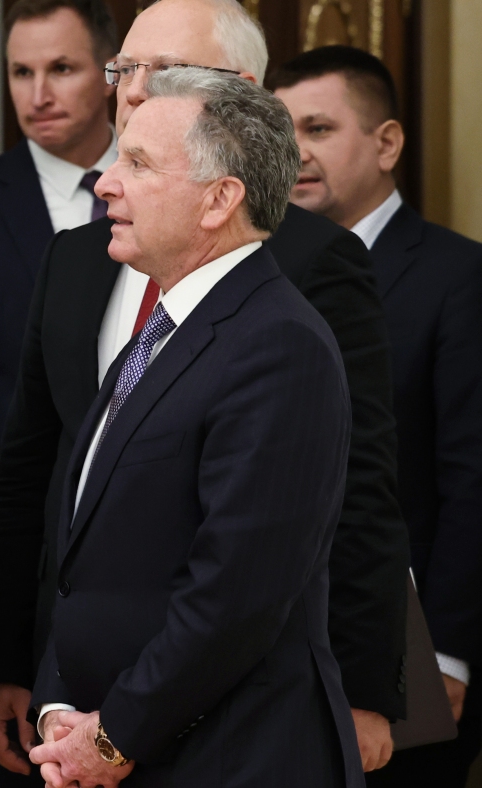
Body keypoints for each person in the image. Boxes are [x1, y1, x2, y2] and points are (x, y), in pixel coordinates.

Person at [0, 0, 411, 775]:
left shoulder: (290, 314)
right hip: (83, 715)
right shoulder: (102, 279)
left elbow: (305, 534)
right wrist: (45, 690)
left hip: (226, 735)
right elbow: (46, 487)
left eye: (165, 73)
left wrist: (367, 687)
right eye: (125, 69)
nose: (133, 90)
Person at [25, 67, 361, 788]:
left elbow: (235, 597)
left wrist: (112, 738)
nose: (106, 183)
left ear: (219, 200)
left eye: (139, 164)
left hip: (233, 759)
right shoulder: (165, 329)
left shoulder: (279, 345)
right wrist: (57, 705)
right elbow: (85, 559)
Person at [271, 45, 482, 787]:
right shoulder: (259, 273)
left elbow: (473, 478)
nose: (295, 153)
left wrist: (450, 654)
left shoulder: (459, 277)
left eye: (319, 129)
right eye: (282, 132)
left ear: (387, 143)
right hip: (276, 656)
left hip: (410, 653)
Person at [0, 0, 119, 443]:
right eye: (21, 73)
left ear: (112, 74)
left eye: (61, 69)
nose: (38, 97)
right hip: (16, 479)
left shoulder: (170, 191)